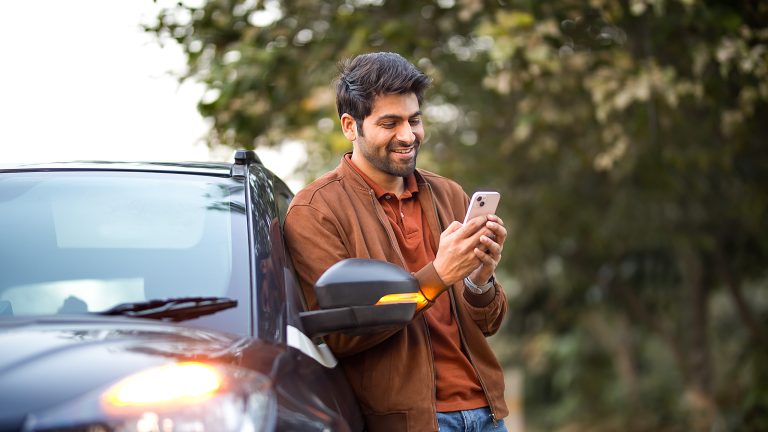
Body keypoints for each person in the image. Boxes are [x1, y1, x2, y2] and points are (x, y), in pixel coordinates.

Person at [283, 52, 509, 432]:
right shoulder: (315, 211)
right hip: (409, 422)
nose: (408, 135)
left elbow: (488, 324)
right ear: (350, 126)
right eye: (390, 123)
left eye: (414, 120)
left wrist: (479, 279)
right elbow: (338, 335)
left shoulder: (449, 195)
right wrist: (437, 276)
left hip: (486, 415)